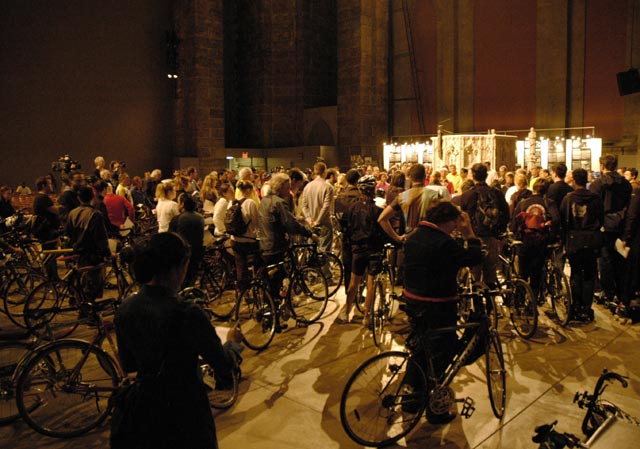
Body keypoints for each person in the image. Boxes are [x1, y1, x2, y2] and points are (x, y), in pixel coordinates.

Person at [113, 232, 242, 449]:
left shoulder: (125, 309)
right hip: (186, 411)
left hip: (146, 414)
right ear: (179, 267)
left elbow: (129, 365)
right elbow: (223, 366)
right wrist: (232, 343)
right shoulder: (188, 313)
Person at [402, 200, 482, 424]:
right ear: (450, 221)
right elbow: (474, 258)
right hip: (437, 304)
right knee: (442, 354)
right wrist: (470, 234)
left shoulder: (415, 236)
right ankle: (435, 408)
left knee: (420, 349)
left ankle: (412, 398)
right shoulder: (443, 242)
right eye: (456, 222)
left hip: (413, 300)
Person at [258, 173, 318, 330]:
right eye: (287, 185)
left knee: (270, 283)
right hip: (277, 247)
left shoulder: (264, 201)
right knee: (278, 283)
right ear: (281, 187)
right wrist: (309, 233)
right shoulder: (279, 203)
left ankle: (269, 314)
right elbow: (290, 224)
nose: (289, 187)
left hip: (264, 246)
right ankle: (275, 320)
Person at [335, 175, 387, 326]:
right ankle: (367, 316)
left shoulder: (351, 208)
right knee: (371, 283)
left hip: (357, 249)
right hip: (373, 250)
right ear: (373, 191)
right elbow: (382, 230)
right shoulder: (377, 210)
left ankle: (346, 312)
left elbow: (346, 228)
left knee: (353, 282)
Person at [560, 168, 604, 321]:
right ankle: (586, 307)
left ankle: (576, 305)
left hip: (574, 239)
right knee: (590, 274)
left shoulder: (568, 199)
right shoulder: (595, 198)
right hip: (591, 239)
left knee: (576, 273)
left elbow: (563, 220)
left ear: (574, 180)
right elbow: (601, 218)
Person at [589, 154, 632, 304]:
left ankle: (608, 293)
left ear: (602, 166)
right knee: (620, 259)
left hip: (604, 226)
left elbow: (593, 208)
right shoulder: (626, 184)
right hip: (621, 224)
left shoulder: (597, 184)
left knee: (605, 260)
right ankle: (621, 292)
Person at [458, 163, 509, 288]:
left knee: (475, 272)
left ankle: (477, 302)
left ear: (472, 176)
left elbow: (461, 217)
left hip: (473, 238)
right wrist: (499, 232)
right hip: (491, 237)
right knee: (490, 273)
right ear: (486, 176)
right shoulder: (496, 193)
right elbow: (506, 213)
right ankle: (490, 303)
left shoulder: (467, 195)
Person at [511, 178, 560, 296]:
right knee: (536, 272)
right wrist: (552, 236)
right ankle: (534, 300)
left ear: (533, 189)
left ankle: (520, 300)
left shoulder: (523, 203)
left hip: (525, 241)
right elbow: (556, 220)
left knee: (522, 273)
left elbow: (514, 222)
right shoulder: (549, 203)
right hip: (541, 242)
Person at [66, 186, 111, 301]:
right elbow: (101, 238)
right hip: (91, 254)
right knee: (92, 285)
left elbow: (68, 233)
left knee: (80, 283)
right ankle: (88, 310)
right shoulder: (95, 214)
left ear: (79, 198)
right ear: (92, 196)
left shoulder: (72, 213)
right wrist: (107, 254)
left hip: (78, 252)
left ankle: (81, 305)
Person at [300, 162, 335, 278]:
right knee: (325, 250)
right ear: (324, 171)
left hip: (310, 224)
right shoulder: (328, 187)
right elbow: (326, 206)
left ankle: (311, 274)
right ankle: (326, 276)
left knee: (311, 249)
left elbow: (303, 205)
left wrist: (309, 220)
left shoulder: (307, 187)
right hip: (324, 223)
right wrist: (318, 220)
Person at [230, 180, 260, 291]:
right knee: (258, 262)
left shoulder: (232, 203)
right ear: (248, 190)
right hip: (249, 241)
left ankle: (243, 291)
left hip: (235, 239)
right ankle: (258, 285)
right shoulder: (250, 203)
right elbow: (257, 223)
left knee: (240, 266)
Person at [169, 194, 205, 289]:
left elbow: (171, 235)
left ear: (183, 204)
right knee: (192, 277)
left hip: (183, 253)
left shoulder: (178, 219)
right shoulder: (200, 217)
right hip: (197, 252)